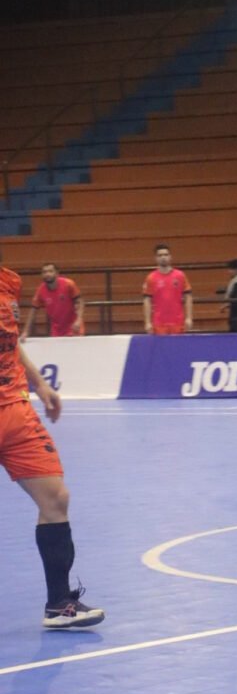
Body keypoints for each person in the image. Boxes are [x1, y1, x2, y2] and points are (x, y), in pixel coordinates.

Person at [1, 265, 104, 629]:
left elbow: (11, 342)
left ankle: (59, 604)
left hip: (14, 411)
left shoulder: (7, 282)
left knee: (56, 499)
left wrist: (40, 384)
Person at [19, 263, 84, 342]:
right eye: (44, 272)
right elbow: (33, 311)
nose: (47, 274)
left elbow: (80, 301)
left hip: (74, 327)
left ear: (57, 273)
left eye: (50, 271)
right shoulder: (41, 290)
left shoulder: (68, 284)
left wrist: (78, 319)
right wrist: (26, 331)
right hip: (57, 330)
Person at [143, 244, 193, 335]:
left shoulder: (180, 275)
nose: (163, 257)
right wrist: (147, 322)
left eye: (166, 255)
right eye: (160, 255)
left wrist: (189, 317)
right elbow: (147, 300)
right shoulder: (151, 278)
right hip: (159, 323)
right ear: (156, 258)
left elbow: (188, 297)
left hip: (178, 322)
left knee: (177, 348)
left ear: (170, 257)